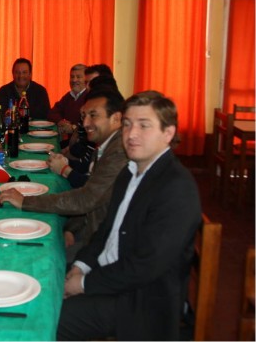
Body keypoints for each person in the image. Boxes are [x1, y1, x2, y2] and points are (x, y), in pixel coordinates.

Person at [57, 91, 202, 340]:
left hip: (142, 301)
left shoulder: (176, 187)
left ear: (168, 133)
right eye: (127, 124)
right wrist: (81, 266)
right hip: (111, 276)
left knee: (51, 317)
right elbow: (106, 231)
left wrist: (82, 284)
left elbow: (145, 266)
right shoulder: (129, 172)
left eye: (144, 125)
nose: (131, 134)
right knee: (45, 277)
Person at [0, 88, 128, 265]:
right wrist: (71, 230)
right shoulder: (106, 145)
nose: (86, 122)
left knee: (29, 259)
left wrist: (26, 202)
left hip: (103, 249)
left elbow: (87, 198)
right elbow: (92, 194)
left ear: (116, 118)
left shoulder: (118, 152)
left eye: (93, 115)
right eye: (84, 116)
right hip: (91, 234)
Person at [48, 63, 88, 146]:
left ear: (86, 79)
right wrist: (61, 122)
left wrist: (73, 128)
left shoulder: (89, 97)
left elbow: (89, 126)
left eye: (78, 77)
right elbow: (52, 113)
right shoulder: (69, 96)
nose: (74, 80)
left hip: (82, 145)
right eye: (72, 77)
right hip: (69, 143)